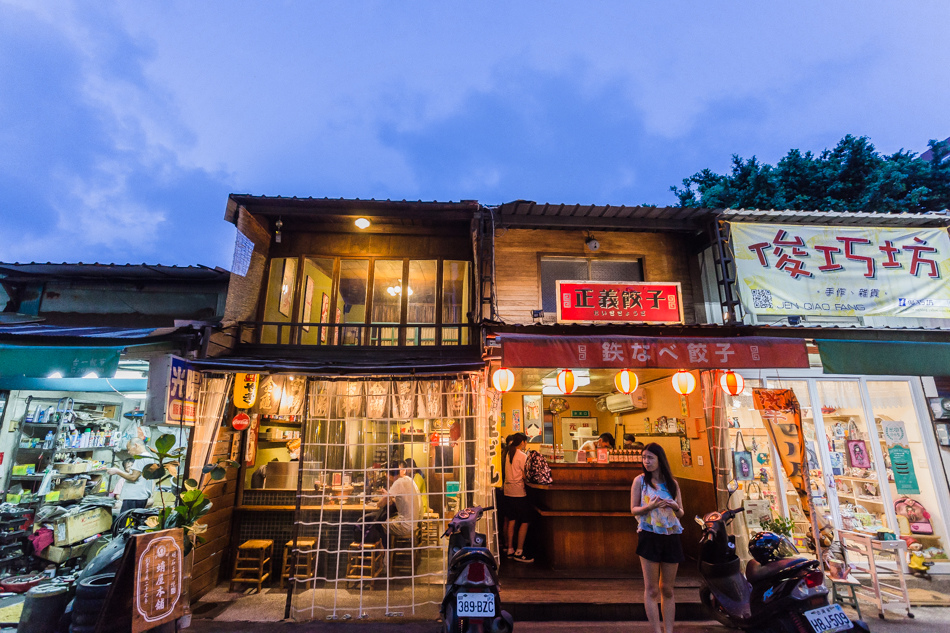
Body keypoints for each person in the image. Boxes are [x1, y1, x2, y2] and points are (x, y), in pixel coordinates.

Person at [630, 443, 684, 633]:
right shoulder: (640, 481)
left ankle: (669, 630)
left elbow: (681, 512)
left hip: (671, 536)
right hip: (649, 535)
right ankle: (657, 630)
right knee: (652, 589)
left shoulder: (672, 483)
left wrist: (674, 506)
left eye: (650, 457)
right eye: (644, 457)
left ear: (660, 460)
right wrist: (649, 507)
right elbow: (633, 509)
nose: (646, 461)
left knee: (667, 589)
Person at [364, 461, 421, 544]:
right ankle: (386, 552)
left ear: (387, 474)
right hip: (413, 524)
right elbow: (401, 499)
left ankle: (385, 553)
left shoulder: (398, 483)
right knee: (387, 520)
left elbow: (381, 503)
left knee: (380, 524)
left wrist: (379, 502)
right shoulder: (407, 480)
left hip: (405, 526)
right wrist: (387, 495)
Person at [503, 432, 534, 563]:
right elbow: (525, 474)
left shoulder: (507, 453)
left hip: (507, 491)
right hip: (518, 492)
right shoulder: (522, 455)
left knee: (512, 519)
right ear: (523, 442)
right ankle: (519, 551)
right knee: (525, 520)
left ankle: (510, 549)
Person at [107, 438, 154, 516]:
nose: (128, 452)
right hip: (141, 497)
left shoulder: (141, 458)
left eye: (129, 449)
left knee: (124, 522)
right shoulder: (149, 456)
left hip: (134, 497)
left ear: (136, 445)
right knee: (134, 521)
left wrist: (117, 471)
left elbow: (133, 477)